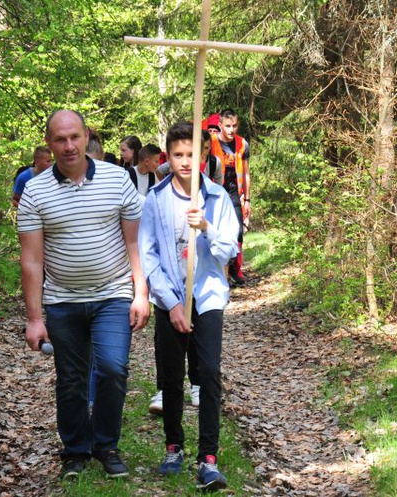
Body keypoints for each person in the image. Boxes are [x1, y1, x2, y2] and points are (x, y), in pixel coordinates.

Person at [18, 109, 150, 479]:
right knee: (72, 377)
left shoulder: (116, 179)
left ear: (86, 135)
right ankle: (75, 450)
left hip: (113, 294)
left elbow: (135, 242)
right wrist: (34, 318)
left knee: (112, 369)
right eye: (60, 139)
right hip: (62, 300)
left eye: (74, 137)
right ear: (49, 143)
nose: (69, 146)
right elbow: (31, 260)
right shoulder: (34, 190)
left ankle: (106, 445)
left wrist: (141, 292)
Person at [139, 121, 238, 491]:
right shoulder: (157, 199)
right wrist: (170, 302)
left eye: (191, 154)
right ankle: (173, 445)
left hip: (208, 294)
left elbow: (229, 249)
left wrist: (207, 227)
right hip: (171, 297)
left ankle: (208, 458)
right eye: (178, 155)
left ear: (203, 155)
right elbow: (149, 256)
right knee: (171, 376)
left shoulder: (216, 198)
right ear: (168, 156)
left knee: (209, 372)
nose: (184, 161)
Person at [209, 110, 250, 285]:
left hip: (234, 192)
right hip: (214, 190)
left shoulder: (242, 144)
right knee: (214, 231)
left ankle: (233, 267)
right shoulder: (210, 142)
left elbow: (246, 173)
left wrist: (247, 199)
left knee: (238, 231)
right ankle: (216, 271)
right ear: (220, 126)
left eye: (234, 126)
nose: (231, 130)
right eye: (228, 126)